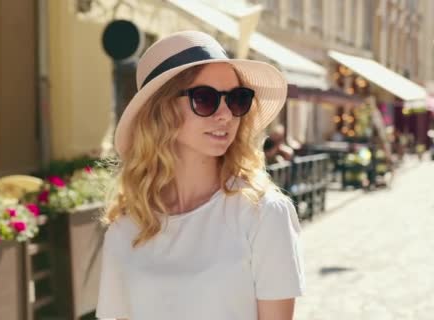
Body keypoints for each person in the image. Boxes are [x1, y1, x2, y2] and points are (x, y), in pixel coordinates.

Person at [96, 31, 304, 320]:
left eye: (236, 99)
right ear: (162, 110)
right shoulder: (126, 226)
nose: (226, 114)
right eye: (205, 99)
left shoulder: (263, 214)